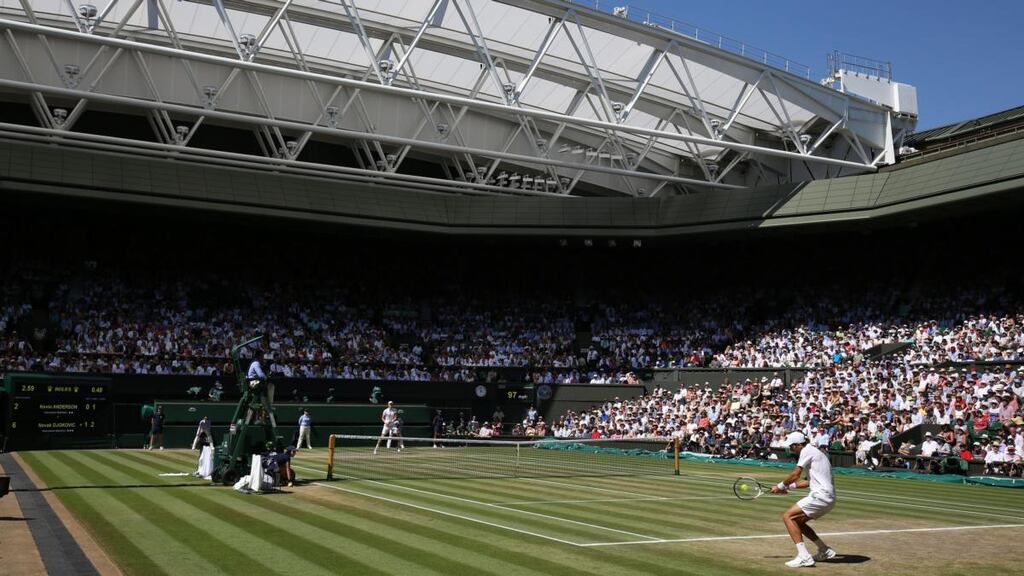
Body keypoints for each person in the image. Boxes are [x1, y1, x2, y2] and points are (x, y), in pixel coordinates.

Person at [771, 431, 837, 568]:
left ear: (798, 445)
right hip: (828, 498)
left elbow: (795, 474)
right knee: (798, 522)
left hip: (821, 496)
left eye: (791, 446)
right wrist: (789, 487)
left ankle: (804, 556)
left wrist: (780, 485)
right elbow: (808, 482)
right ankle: (824, 550)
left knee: (788, 517)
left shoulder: (807, 451)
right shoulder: (816, 452)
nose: (790, 448)